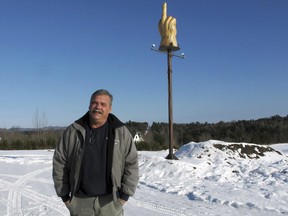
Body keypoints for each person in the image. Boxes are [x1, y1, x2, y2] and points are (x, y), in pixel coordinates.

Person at [52, 89, 139, 216]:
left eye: (103, 104)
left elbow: (131, 163)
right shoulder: (73, 131)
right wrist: (64, 195)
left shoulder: (120, 132)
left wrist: (124, 196)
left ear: (110, 108)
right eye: (95, 103)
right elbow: (60, 162)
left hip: (110, 202)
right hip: (80, 202)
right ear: (89, 105)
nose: (98, 107)